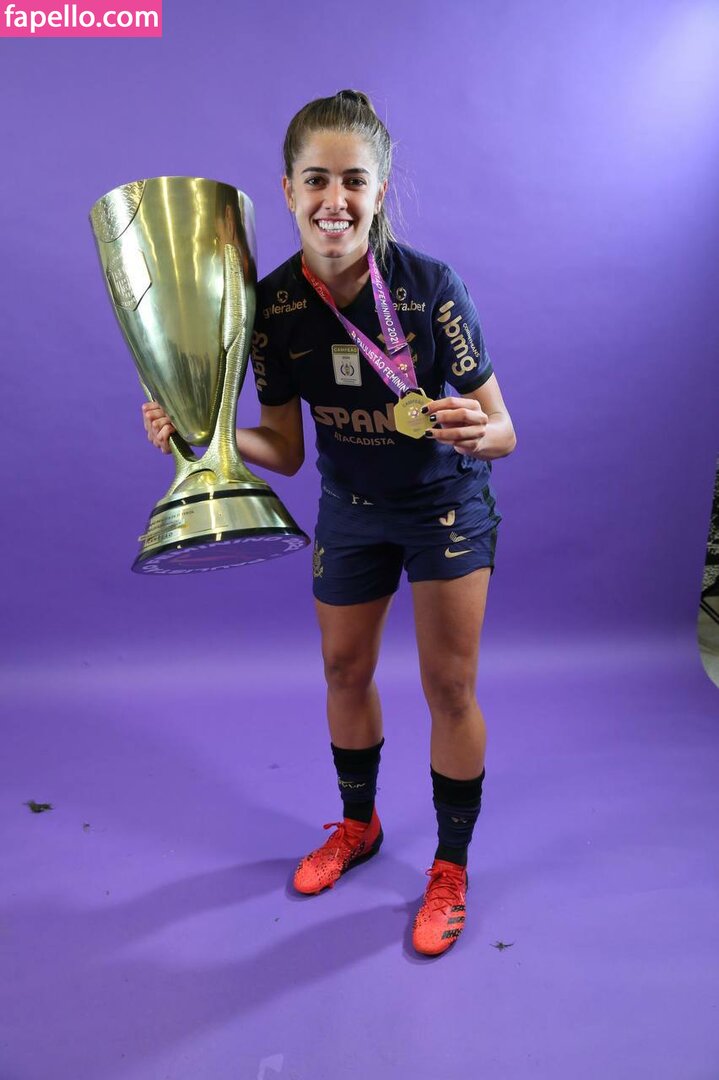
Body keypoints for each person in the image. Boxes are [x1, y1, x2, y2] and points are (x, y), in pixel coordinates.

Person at [143, 90, 516, 957]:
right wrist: (199, 431)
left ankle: (449, 867)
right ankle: (358, 825)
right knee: (344, 671)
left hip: (443, 507)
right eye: (316, 180)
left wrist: (476, 431)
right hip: (350, 508)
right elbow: (281, 448)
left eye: (353, 180)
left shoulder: (429, 288)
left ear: (379, 190)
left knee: (448, 689)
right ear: (287, 190)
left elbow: (504, 429)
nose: (334, 200)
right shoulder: (270, 305)